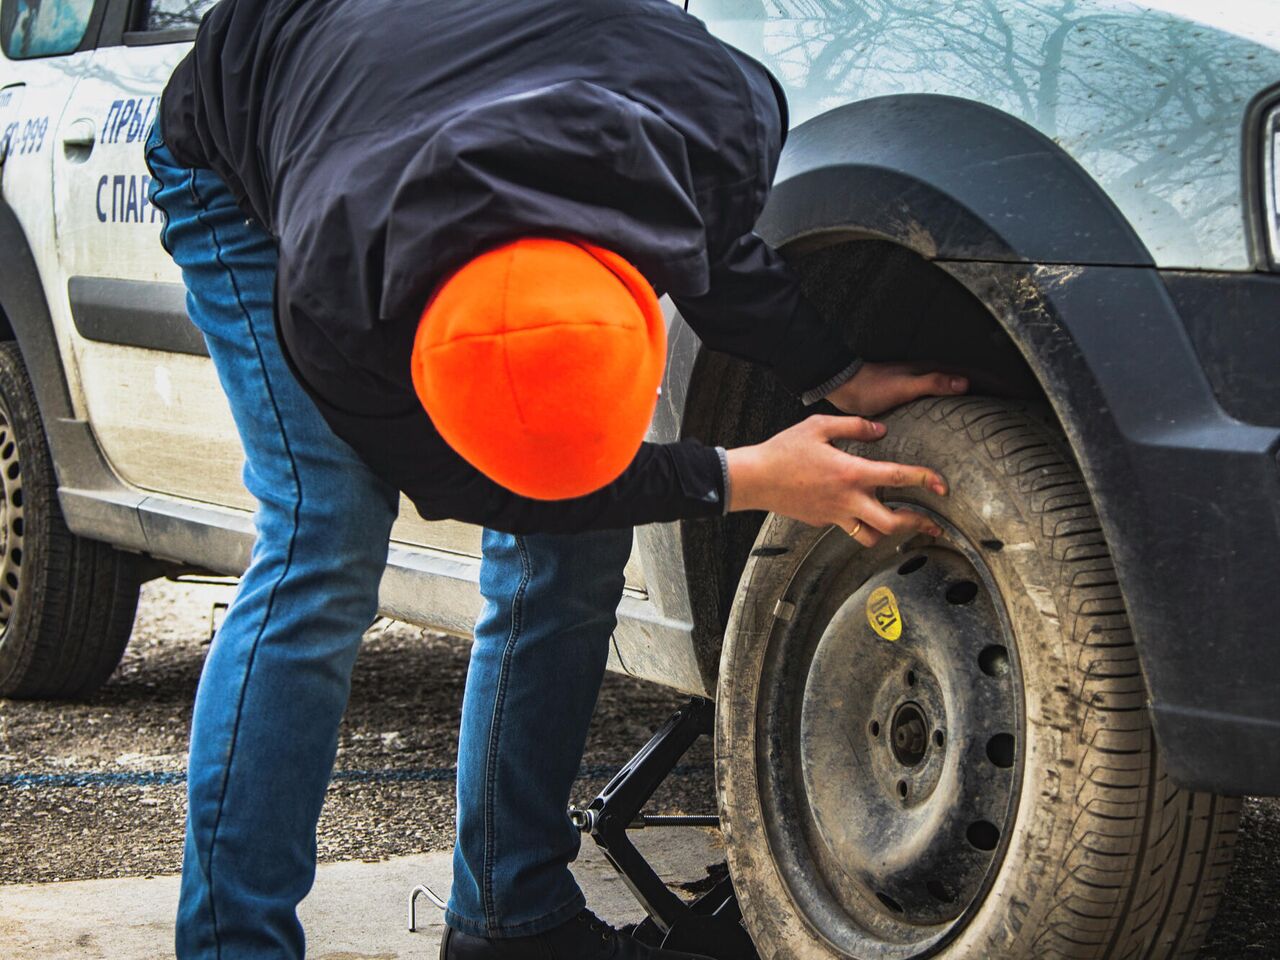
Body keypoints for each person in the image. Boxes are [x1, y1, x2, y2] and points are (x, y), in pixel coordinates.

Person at [145, 0, 967, 957]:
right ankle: (232, 944)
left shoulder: (722, 111)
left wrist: (831, 369)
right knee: (322, 541)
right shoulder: (331, 306)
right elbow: (472, 487)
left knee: (573, 535)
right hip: (249, 146)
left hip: (436, 88)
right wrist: (736, 475)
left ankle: (511, 919)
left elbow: (713, 247)